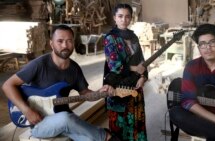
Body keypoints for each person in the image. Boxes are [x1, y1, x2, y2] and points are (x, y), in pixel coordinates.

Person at [2, 25, 119, 141]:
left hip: (64, 118)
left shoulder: (74, 68)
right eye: (60, 41)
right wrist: (26, 110)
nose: (65, 45)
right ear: (51, 44)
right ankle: (106, 137)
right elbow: (7, 85)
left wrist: (100, 92)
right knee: (65, 118)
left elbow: (85, 93)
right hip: (39, 123)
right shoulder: (39, 64)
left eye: (69, 41)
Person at [103, 3, 148, 141]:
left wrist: (143, 77)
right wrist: (135, 69)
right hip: (117, 88)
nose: (124, 20)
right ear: (115, 18)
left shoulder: (133, 37)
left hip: (135, 87)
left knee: (137, 125)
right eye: (120, 16)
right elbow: (114, 65)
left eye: (127, 16)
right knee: (120, 128)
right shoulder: (110, 38)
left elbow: (142, 60)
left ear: (131, 18)